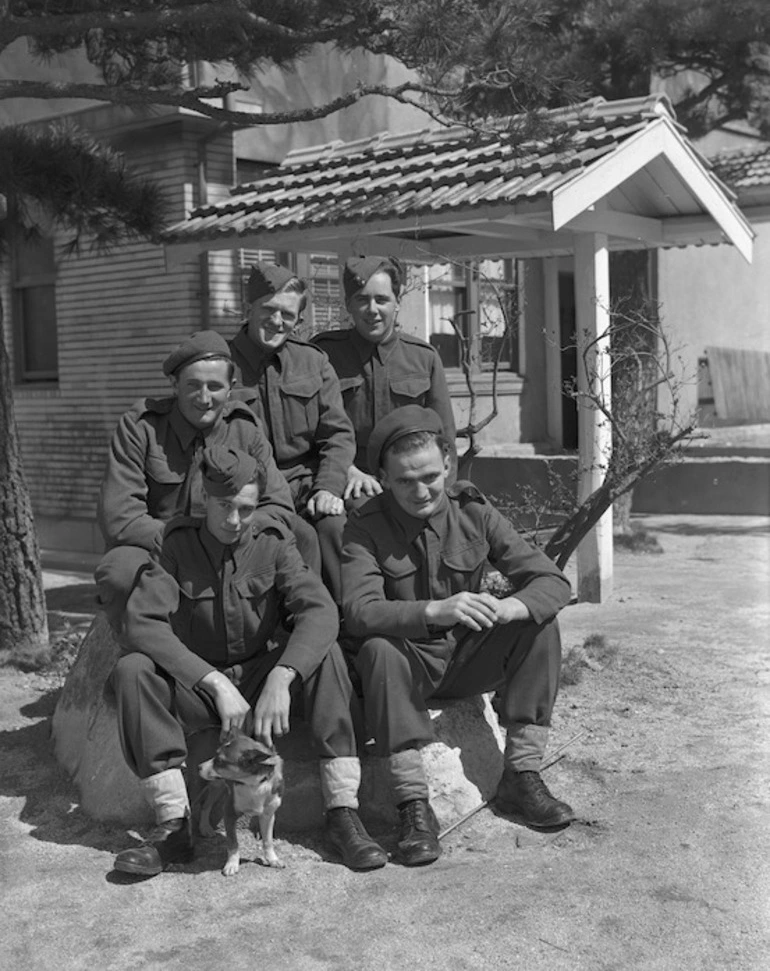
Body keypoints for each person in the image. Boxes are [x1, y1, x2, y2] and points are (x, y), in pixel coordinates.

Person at [111, 446, 386, 876]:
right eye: (223, 506)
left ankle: (342, 813)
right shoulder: (175, 543)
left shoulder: (273, 542)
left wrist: (283, 674)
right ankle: (173, 827)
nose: (233, 520)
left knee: (326, 654)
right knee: (133, 670)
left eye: (245, 508)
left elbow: (318, 610)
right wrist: (212, 682)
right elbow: (142, 624)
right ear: (205, 497)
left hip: (260, 681)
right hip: (198, 685)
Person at [341, 406, 575, 867]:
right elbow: (359, 611)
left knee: (539, 622)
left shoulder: (473, 511)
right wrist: (433, 610)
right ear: (384, 478)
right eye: (405, 480)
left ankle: (521, 775)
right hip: (406, 667)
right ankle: (413, 807)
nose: (421, 490)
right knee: (377, 648)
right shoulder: (363, 526)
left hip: (466, 659)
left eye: (429, 475)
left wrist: (511, 607)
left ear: (447, 464)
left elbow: (552, 582)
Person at [95, 329, 299, 630]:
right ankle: (139, 654)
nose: (204, 399)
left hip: (233, 538)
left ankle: (276, 646)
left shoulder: (245, 429)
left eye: (215, 387)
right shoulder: (142, 428)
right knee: (119, 572)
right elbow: (120, 519)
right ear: (174, 384)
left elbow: (279, 507)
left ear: (230, 389)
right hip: (160, 546)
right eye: (193, 386)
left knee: (302, 540)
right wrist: (193, 543)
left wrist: (230, 535)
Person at [229, 262, 356, 603]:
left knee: (336, 528)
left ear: (299, 320)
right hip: (247, 492)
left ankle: (347, 628)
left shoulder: (313, 362)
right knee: (295, 540)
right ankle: (302, 626)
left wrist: (328, 487)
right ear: (249, 309)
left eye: (288, 315)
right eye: (268, 310)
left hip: (305, 486)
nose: (277, 321)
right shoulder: (221, 364)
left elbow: (338, 434)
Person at [313, 255, 457, 504]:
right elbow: (311, 431)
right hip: (349, 483)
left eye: (382, 300)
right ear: (348, 304)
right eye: (362, 299)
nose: (372, 310)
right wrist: (345, 471)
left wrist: (442, 496)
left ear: (397, 303)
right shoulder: (324, 356)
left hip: (412, 484)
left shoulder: (423, 358)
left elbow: (445, 439)